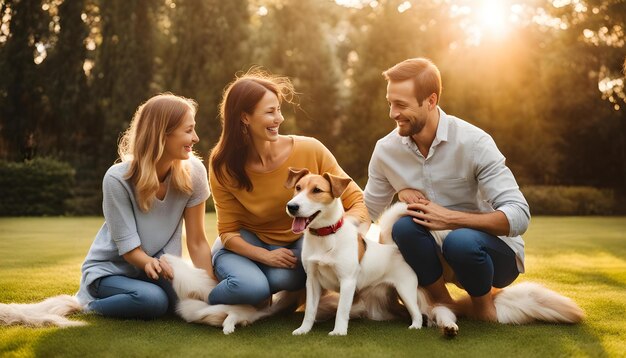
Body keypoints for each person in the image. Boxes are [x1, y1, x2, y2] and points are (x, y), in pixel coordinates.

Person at [363, 58, 530, 321]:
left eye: (401, 105)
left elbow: (519, 215)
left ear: (431, 101)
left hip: (490, 257)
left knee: (459, 240)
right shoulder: (386, 150)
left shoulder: (474, 142)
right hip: (432, 254)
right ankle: (442, 303)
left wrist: (450, 218)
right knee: (403, 227)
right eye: (390, 103)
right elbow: (365, 211)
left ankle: (484, 309)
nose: (392, 113)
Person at [208, 68, 369, 306]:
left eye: (279, 110)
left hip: (297, 244)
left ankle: (254, 289)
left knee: (288, 276)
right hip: (246, 244)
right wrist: (266, 256)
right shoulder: (223, 164)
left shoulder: (310, 149)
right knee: (253, 288)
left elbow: (357, 200)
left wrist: (344, 232)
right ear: (245, 118)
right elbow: (228, 231)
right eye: (270, 112)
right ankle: (208, 296)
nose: (280, 118)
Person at [76, 93, 213, 319]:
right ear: (162, 135)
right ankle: (87, 307)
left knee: (188, 301)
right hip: (110, 270)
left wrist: (210, 290)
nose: (196, 138)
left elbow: (197, 241)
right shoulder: (117, 179)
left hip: (157, 270)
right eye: (188, 131)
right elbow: (129, 249)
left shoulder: (195, 172)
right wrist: (148, 262)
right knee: (153, 301)